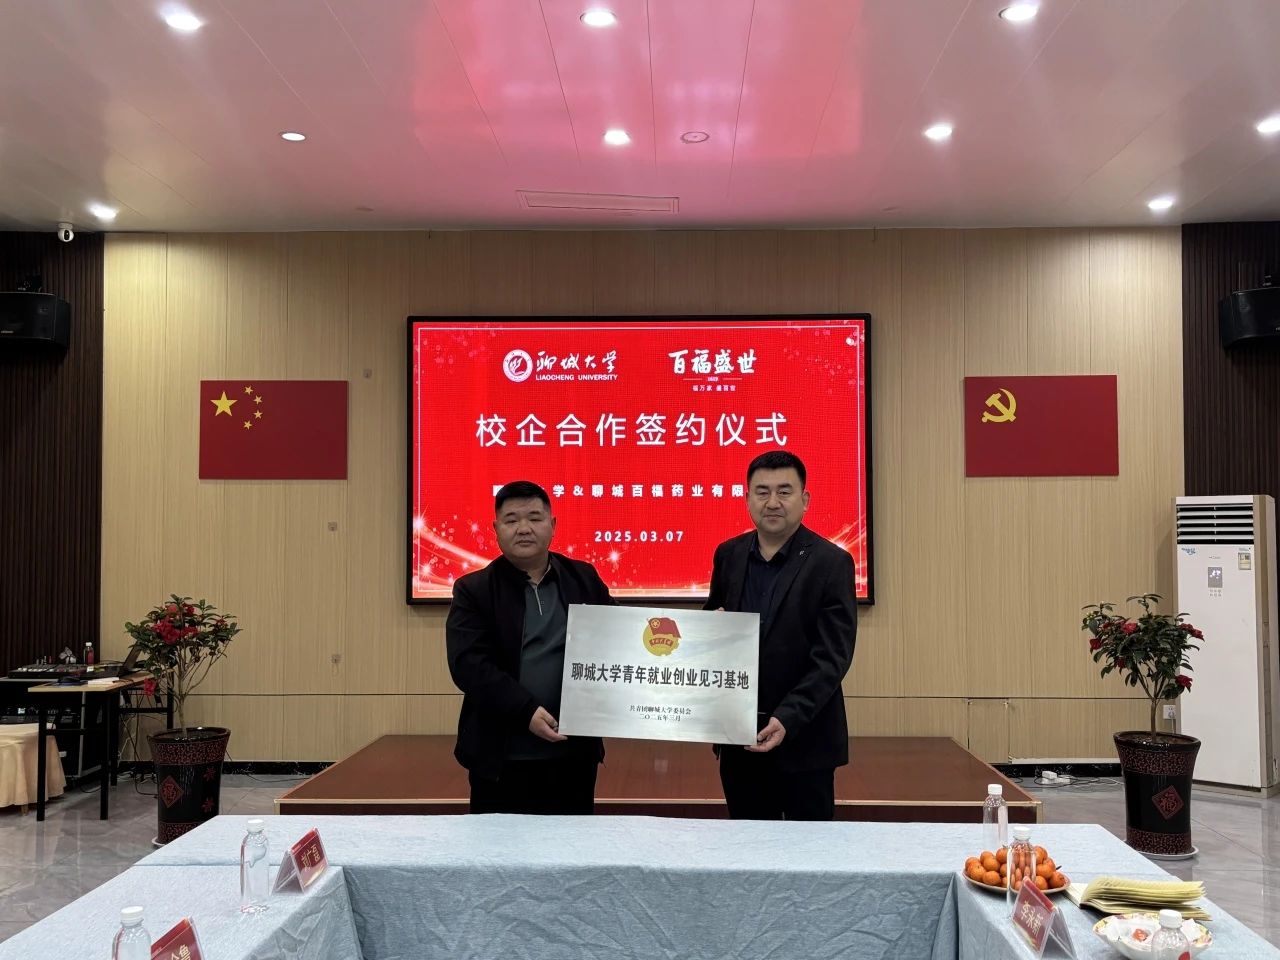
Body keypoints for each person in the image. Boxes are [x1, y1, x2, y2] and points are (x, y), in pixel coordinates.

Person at [704, 451, 857, 820]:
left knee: (809, 850)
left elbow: (832, 657)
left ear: (805, 500)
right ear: (747, 499)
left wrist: (788, 717)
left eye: (784, 492)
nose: (772, 502)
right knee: (748, 847)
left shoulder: (831, 563)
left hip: (805, 741)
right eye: (762, 492)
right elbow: (711, 622)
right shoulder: (728, 555)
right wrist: (711, 629)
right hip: (739, 740)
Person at [446, 480, 614, 815]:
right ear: (496, 529)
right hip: (500, 759)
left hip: (573, 756)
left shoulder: (583, 577)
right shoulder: (474, 590)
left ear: (553, 525)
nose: (524, 528)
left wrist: (701, 632)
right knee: (500, 848)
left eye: (535, 518)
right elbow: (469, 665)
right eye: (511, 520)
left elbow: (620, 634)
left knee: (572, 846)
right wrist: (525, 711)